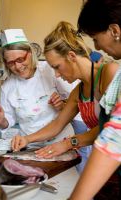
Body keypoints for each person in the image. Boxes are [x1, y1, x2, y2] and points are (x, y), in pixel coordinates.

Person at [11, 21, 119, 174]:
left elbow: (109, 128)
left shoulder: (109, 72)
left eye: (57, 67)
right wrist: (27, 139)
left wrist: (69, 143)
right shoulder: (78, 91)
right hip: (107, 160)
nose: (56, 74)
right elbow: (57, 124)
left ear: (71, 56)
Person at [0, 28, 76, 147]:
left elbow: (75, 103)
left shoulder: (51, 70)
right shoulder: (7, 86)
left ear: (30, 53)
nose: (18, 66)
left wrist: (61, 106)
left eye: (20, 59)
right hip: (31, 144)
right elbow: (8, 120)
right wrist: (1, 122)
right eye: (11, 63)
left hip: (62, 140)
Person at [70, 0, 121, 199]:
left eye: (95, 38)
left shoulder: (110, 72)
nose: (97, 46)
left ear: (114, 30)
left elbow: (115, 137)